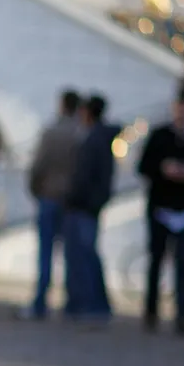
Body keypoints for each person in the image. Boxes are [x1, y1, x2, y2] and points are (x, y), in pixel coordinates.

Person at [136, 98, 184, 337]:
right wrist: (163, 168)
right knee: (156, 261)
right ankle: (151, 310)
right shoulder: (160, 135)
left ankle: (182, 313)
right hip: (161, 206)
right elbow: (144, 166)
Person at [20, 89, 82, 319]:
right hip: (71, 200)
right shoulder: (80, 134)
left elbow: (38, 165)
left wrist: (36, 190)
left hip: (49, 196)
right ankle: (71, 302)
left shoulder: (52, 131)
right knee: (70, 253)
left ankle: (40, 301)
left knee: (45, 253)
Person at [62, 94, 120, 324]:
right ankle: (84, 302)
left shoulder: (95, 140)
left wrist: (83, 199)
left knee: (85, 254)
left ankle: (91, 303)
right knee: (82, 254)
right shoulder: (95, 138)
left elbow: (91, 177)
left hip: (84, 206)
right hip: (83, 205)